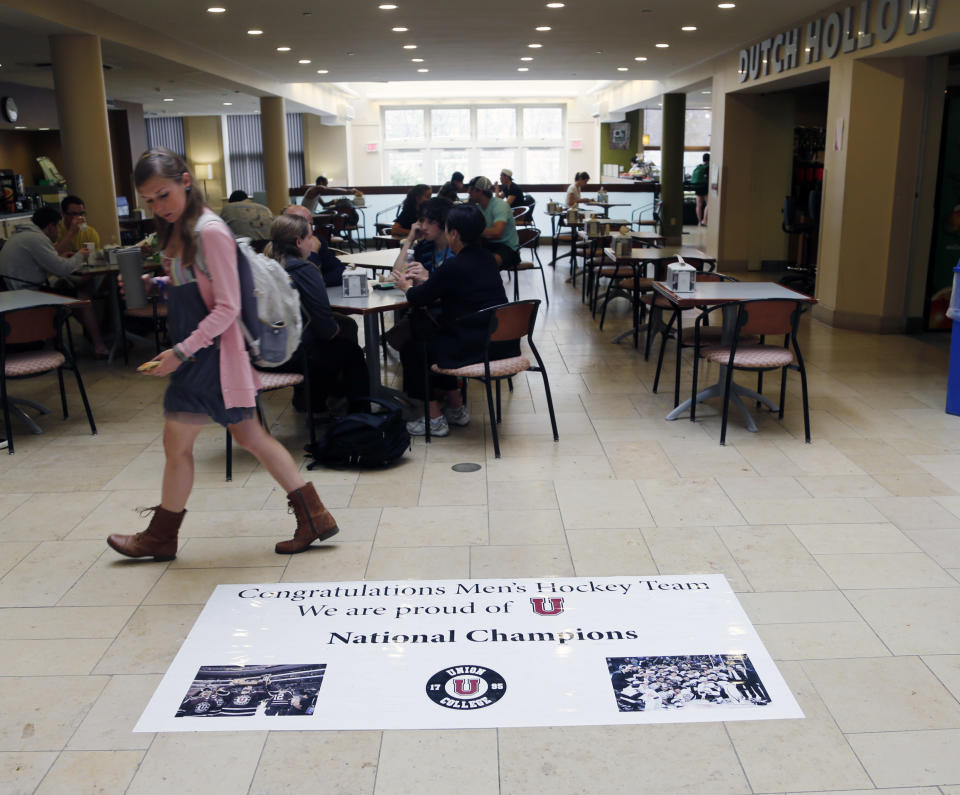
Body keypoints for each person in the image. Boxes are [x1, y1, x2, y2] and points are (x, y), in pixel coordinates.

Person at [106, 148, 340, 560]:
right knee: (246, 436)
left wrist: (181, 351)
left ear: (185, 181)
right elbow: (201, 289)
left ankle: (161, 537)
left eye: (163, 195)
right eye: (150, 201)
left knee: (186, 443)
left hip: (208, 358)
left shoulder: (209, 230)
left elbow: (228, 306)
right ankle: (314, 515)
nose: (159, 207)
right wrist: (159, 285)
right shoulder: (186, 228)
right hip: (203, 356)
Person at [391, 203, 514, 437]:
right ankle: (456, 408)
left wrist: (406, 286)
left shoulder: (454, 265)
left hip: (473, 348)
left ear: (454, 233)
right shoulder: (487, 259)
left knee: (415, 348)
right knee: (430, 334)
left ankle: (435, 419)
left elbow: (418, 297)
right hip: (499, 344)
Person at [268, 213, 369, 415]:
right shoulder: (304, 269)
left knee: (336, 342)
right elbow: (326, 327)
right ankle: (361, 416)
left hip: (264, 354)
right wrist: (334, 332)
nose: (313, 242)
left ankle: (315, 401)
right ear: (299, 241)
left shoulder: (266, 268)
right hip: (294, 356)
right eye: (310, 237)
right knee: (350, 352)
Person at [0, 205, 108, 357]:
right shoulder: (36, 239)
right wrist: (80, 255)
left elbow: (48, 259)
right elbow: (61, 269)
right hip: (29, 292)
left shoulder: (23, 235)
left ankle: (55, 344)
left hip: (17, 290)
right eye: (58, 226)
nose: (58, 230)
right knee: (82, 297)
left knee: (74, 294)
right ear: (50, 226)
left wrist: (61, 259)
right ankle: (99, 345)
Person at [283, 203, 346, 287]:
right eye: (303, 225)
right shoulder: (279, 247)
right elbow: (298, 285)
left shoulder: (317, 241)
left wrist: (319, 281)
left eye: (311, 224)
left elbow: (341, 272)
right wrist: (313, 253)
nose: (310, 230)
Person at [467, 176, 520, 270]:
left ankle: (490, 284)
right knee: (464, 258)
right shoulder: (477, 207)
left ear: (480, 191)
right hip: (489, 244)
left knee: (484, 264)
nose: (468, 192)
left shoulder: (499, 205)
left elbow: (497, 233)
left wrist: (472, 231)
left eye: (471, 189)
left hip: (508, 249)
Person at [392, 197, 454, 275]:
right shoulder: (423, 248)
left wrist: (428, 277)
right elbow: (398, 273)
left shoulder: (457, 250)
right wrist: (410, 240)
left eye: (431, 222)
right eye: (421, 220)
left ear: (444, 222)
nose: (423, 227)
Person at [692, 153, 710, 226]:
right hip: (705, 187)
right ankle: (704, 221)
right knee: (709, 204)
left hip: (698, 187)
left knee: (698, 205)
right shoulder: (708, 167)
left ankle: (699, 222)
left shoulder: (699, 166)